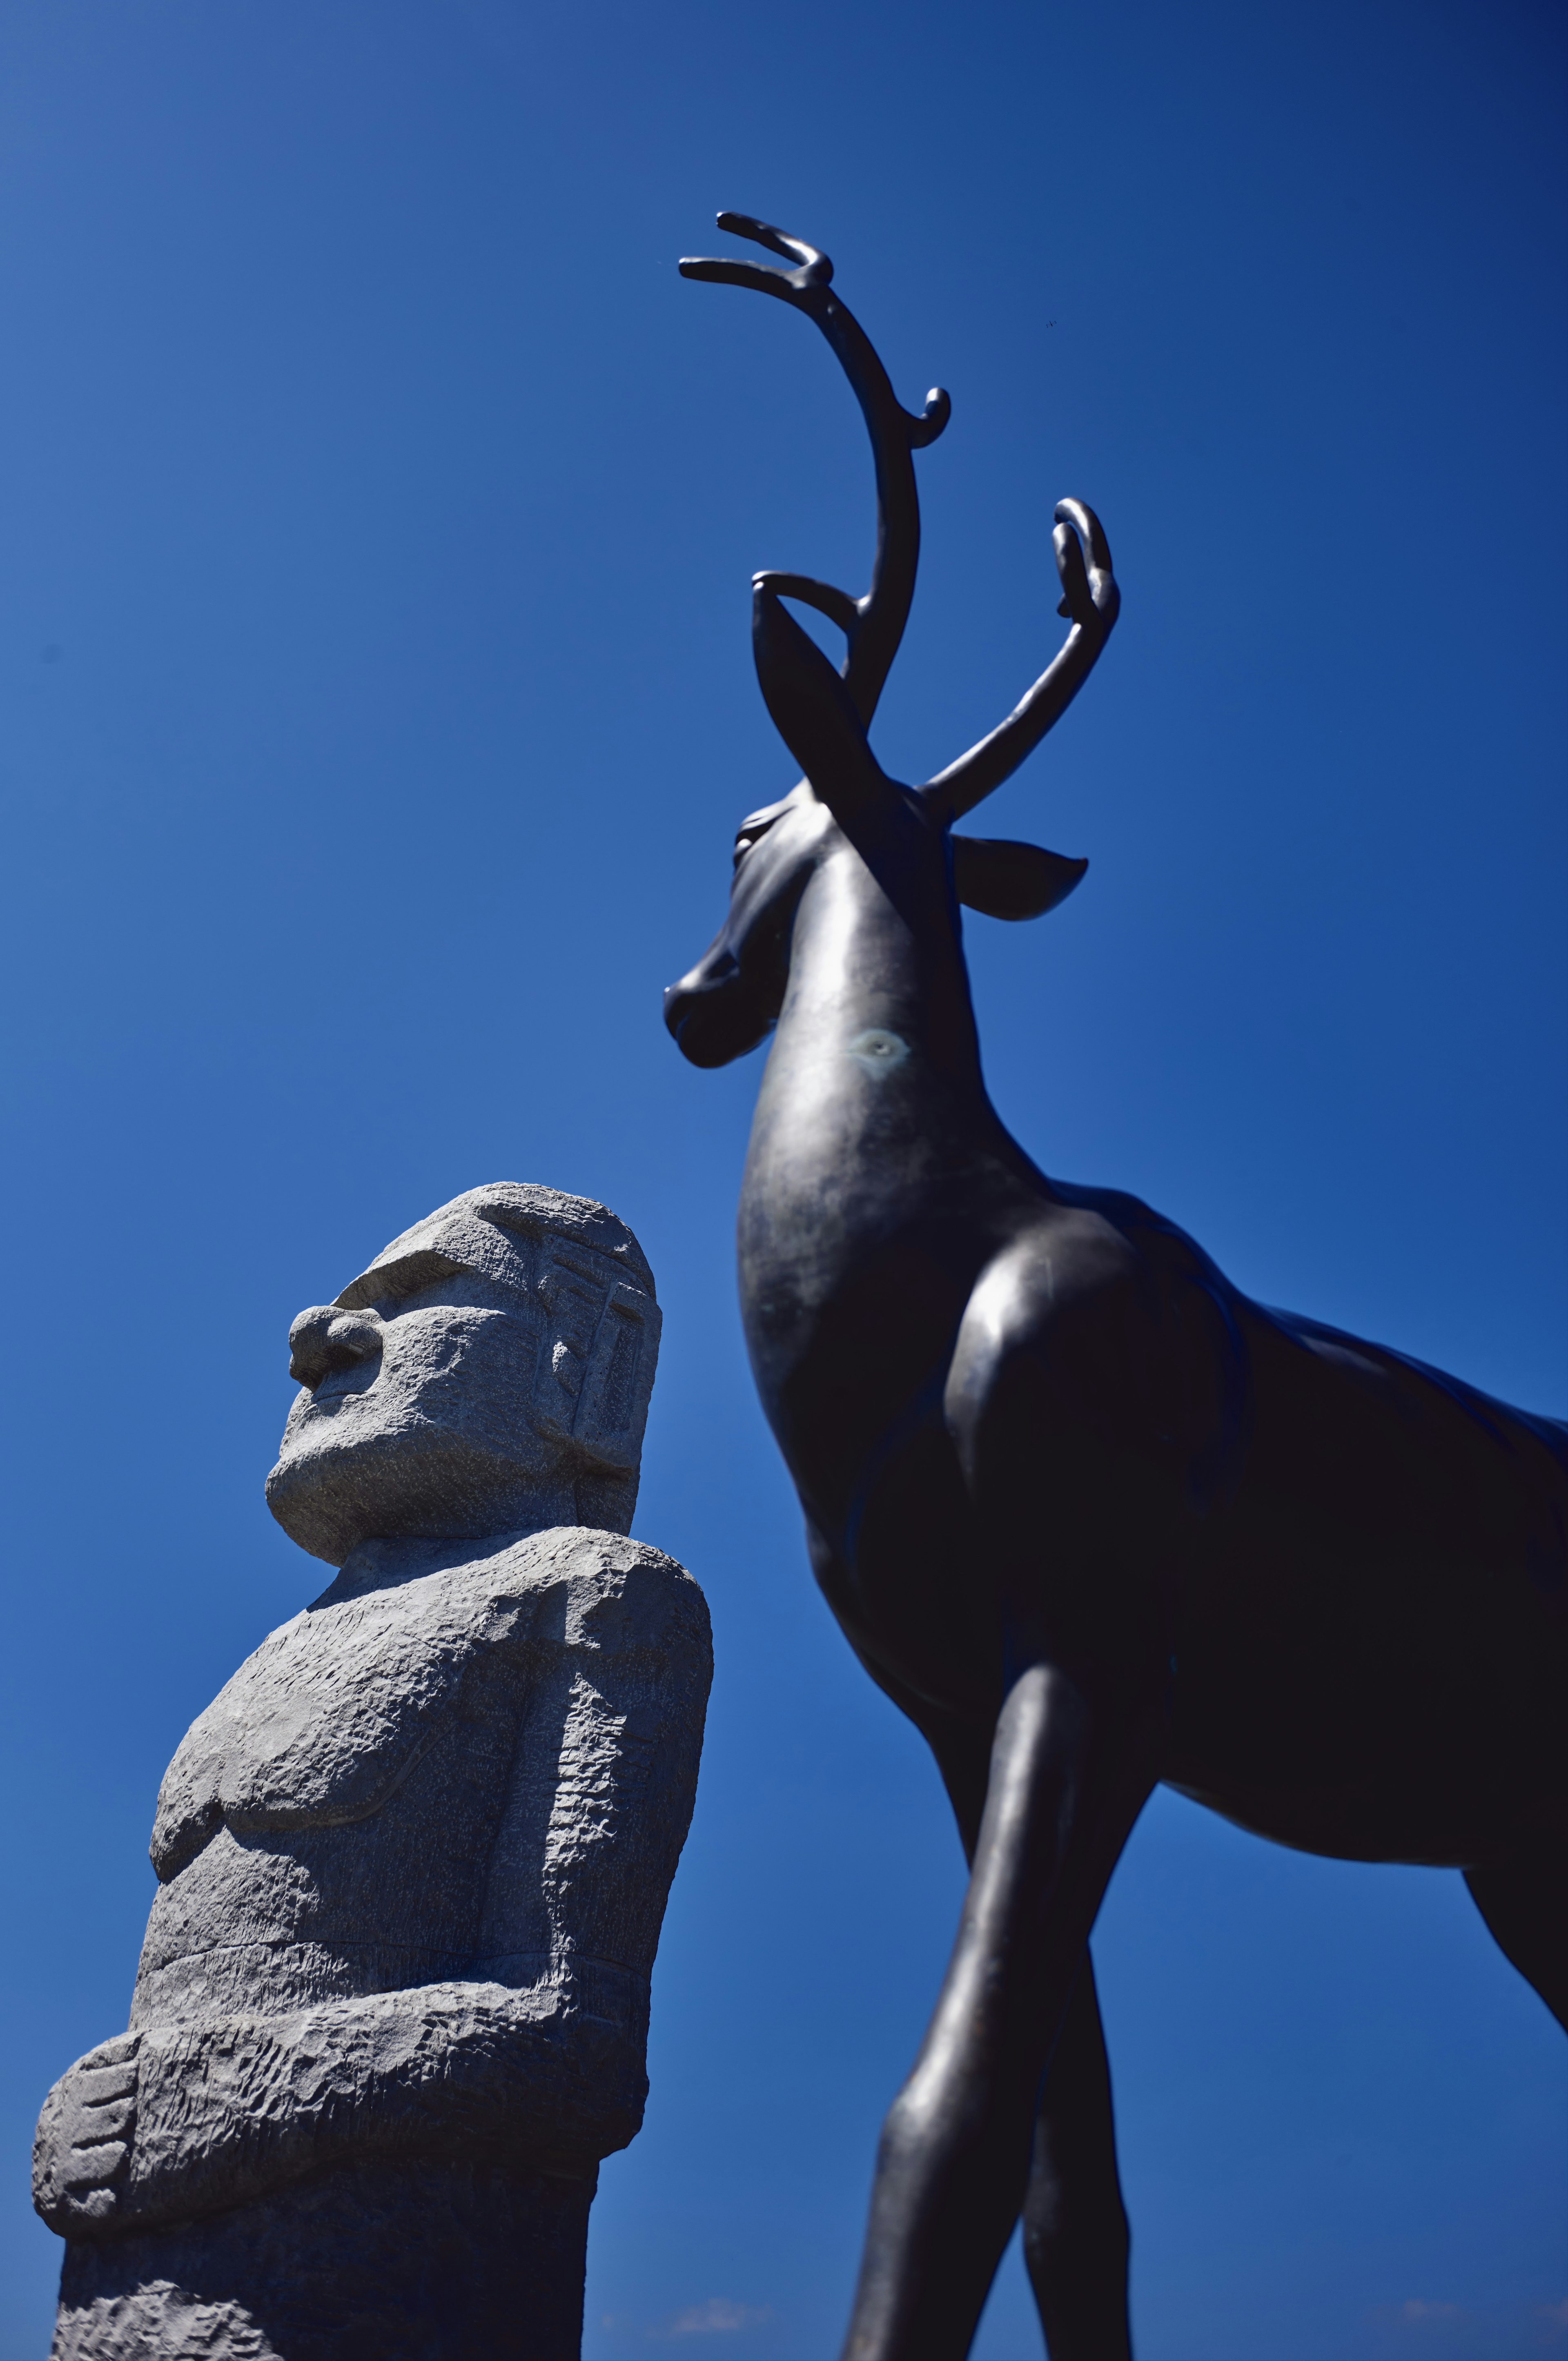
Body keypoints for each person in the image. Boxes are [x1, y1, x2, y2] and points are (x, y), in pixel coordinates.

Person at [34, 1183, 711, 2361]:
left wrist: (223, 2093)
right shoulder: (276, 1647)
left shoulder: (593, 1594)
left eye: (419, 1294)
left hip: (378, 2288)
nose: (321, 1335)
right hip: (123, 2288)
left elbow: (572, 2036)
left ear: (583, 1359)